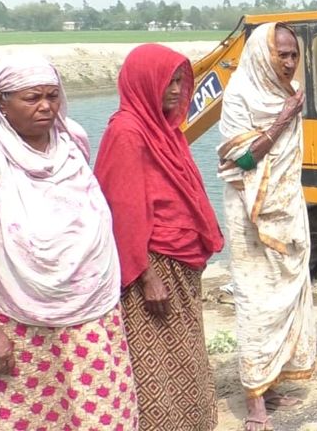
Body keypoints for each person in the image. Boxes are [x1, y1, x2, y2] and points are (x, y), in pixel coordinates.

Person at [0, 55, 137, 429]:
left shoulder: (73, 141)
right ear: (1, 104)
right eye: (32, 98)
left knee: (100, 413)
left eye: (52, 96)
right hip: (17, 319)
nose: (46, 106)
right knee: (25, 415)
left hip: (90, 313)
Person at [94, 44, 224, 429]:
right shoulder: (128, 133)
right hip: (152, 270)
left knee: (186, 358)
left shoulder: (167, 131)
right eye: (168, 80)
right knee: (157, 364)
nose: (175, 89)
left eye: (180, 81)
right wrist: (146, 275)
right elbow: (122, 210)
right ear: (144, 82)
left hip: (179, 264)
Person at [218, 22, 316, 431]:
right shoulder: (240, 94)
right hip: (250, 215)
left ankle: (274, 383)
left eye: (294, 55)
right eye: (282, 54)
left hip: (289, 207)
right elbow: (238, 161)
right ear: (263, 54)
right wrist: (282, 119)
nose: (289, 63)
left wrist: (287, 110)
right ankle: (254, 399)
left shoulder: (287, 93)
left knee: (290, 296)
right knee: (258, 304)